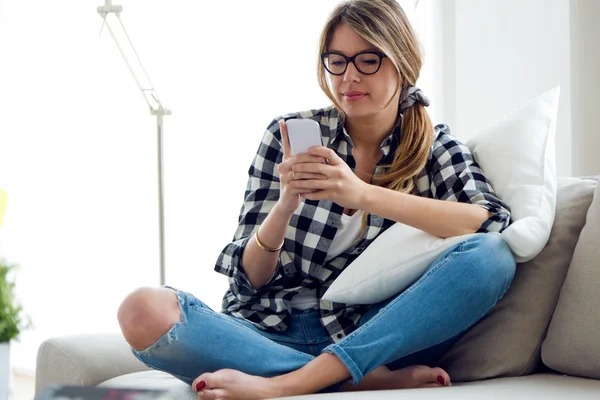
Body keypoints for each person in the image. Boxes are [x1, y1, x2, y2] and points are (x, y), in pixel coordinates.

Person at [117, 0, 516, 398]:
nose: (348, 77)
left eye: (368, 61)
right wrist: (285, 204)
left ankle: (293, 383)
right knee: (143, 310)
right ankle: (347, 377)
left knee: (491, 257)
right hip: (273, 332)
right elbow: (251, 279)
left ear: (403, 62)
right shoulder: (287, 134)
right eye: (337, 61)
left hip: (374, 334)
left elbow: (489, 223)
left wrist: (362, 193)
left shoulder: (434, 149)